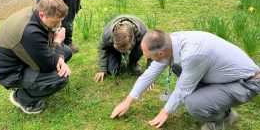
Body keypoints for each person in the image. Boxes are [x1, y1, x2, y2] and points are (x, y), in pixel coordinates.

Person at [111, 30, 260, 130]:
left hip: (247, 83)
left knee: (193, 104)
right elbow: (150, 73)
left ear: (161, 53)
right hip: (225, 74)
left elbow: (183, 89)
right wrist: (128, 101)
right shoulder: (171, 41)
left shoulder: (193, 54)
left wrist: (165, 112)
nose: (148, 59)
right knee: (177, 67)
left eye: (149, 57)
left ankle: (225, 118)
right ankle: (218, 102)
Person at [0, 0, 72, 114]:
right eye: (55, 22)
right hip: (8, 72)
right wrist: (57, 41)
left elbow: (51, 48)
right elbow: (48, 65)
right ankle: (21, 98)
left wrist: (60, 58)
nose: (59, 26)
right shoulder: (30, 32)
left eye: (60, 21)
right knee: (60, 78)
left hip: (21, 57)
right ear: (42, 15)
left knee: (66, 52)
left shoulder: (38, 11)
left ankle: (34, 84)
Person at [95, 15, 149, 82]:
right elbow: (102, 48)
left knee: (140, 48)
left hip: (136, 44)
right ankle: (117, 54)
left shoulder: (143, 33)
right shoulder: (107, 35)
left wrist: (148, 76)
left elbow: (152, 52)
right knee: (112, 70)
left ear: (132, 40)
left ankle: (133, 62)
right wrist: (102, 69)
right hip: (114, 48)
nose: (124, 52)